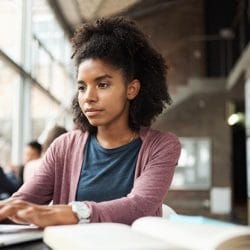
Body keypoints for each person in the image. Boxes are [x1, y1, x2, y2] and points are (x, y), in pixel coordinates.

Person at [0, 16, 181, 228]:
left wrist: (71, 213)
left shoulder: (162, 146)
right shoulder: (64, 147)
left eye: (102, 85)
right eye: (82, 87)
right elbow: (20, 203)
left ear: (131, 89)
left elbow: (139, 206)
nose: (88, 97)